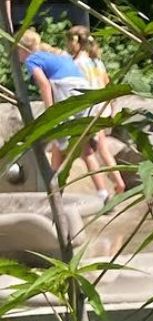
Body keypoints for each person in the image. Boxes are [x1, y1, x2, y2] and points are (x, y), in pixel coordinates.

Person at [17, 29, 112, 200]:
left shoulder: (33, 59)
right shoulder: (55, 54)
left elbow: (45, 85)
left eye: (17, 50)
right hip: (84, 93)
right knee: (82, 150)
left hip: (68, 94)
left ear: (23, 49)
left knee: (60, 141)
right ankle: (101, 194)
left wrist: (50, 114)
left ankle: (54, 195)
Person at [65, 25, 125, 196]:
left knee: (87, 152)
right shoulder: (96, 61)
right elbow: (107, 83)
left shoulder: (76, 63)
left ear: (73, 42)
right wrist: (112, 105)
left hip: (89, 111)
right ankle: (119, 183)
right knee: (103, 149)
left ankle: (102, 193)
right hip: (102, 109)